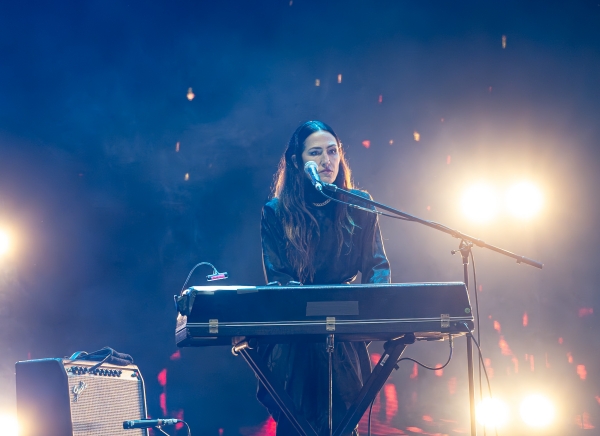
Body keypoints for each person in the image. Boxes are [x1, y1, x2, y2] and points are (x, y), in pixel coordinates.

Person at [257, 120, 391, 436]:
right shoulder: (276, 212)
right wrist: (314, 310)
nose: (326, 161)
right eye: (315, 153)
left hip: (345, 338)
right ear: (296, 161)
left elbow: (377, 267)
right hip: (297, 343)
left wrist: (370, 313)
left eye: (332, 151)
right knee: (296, 423)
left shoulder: (358, 204)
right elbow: (278, 278)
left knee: (344, 424)